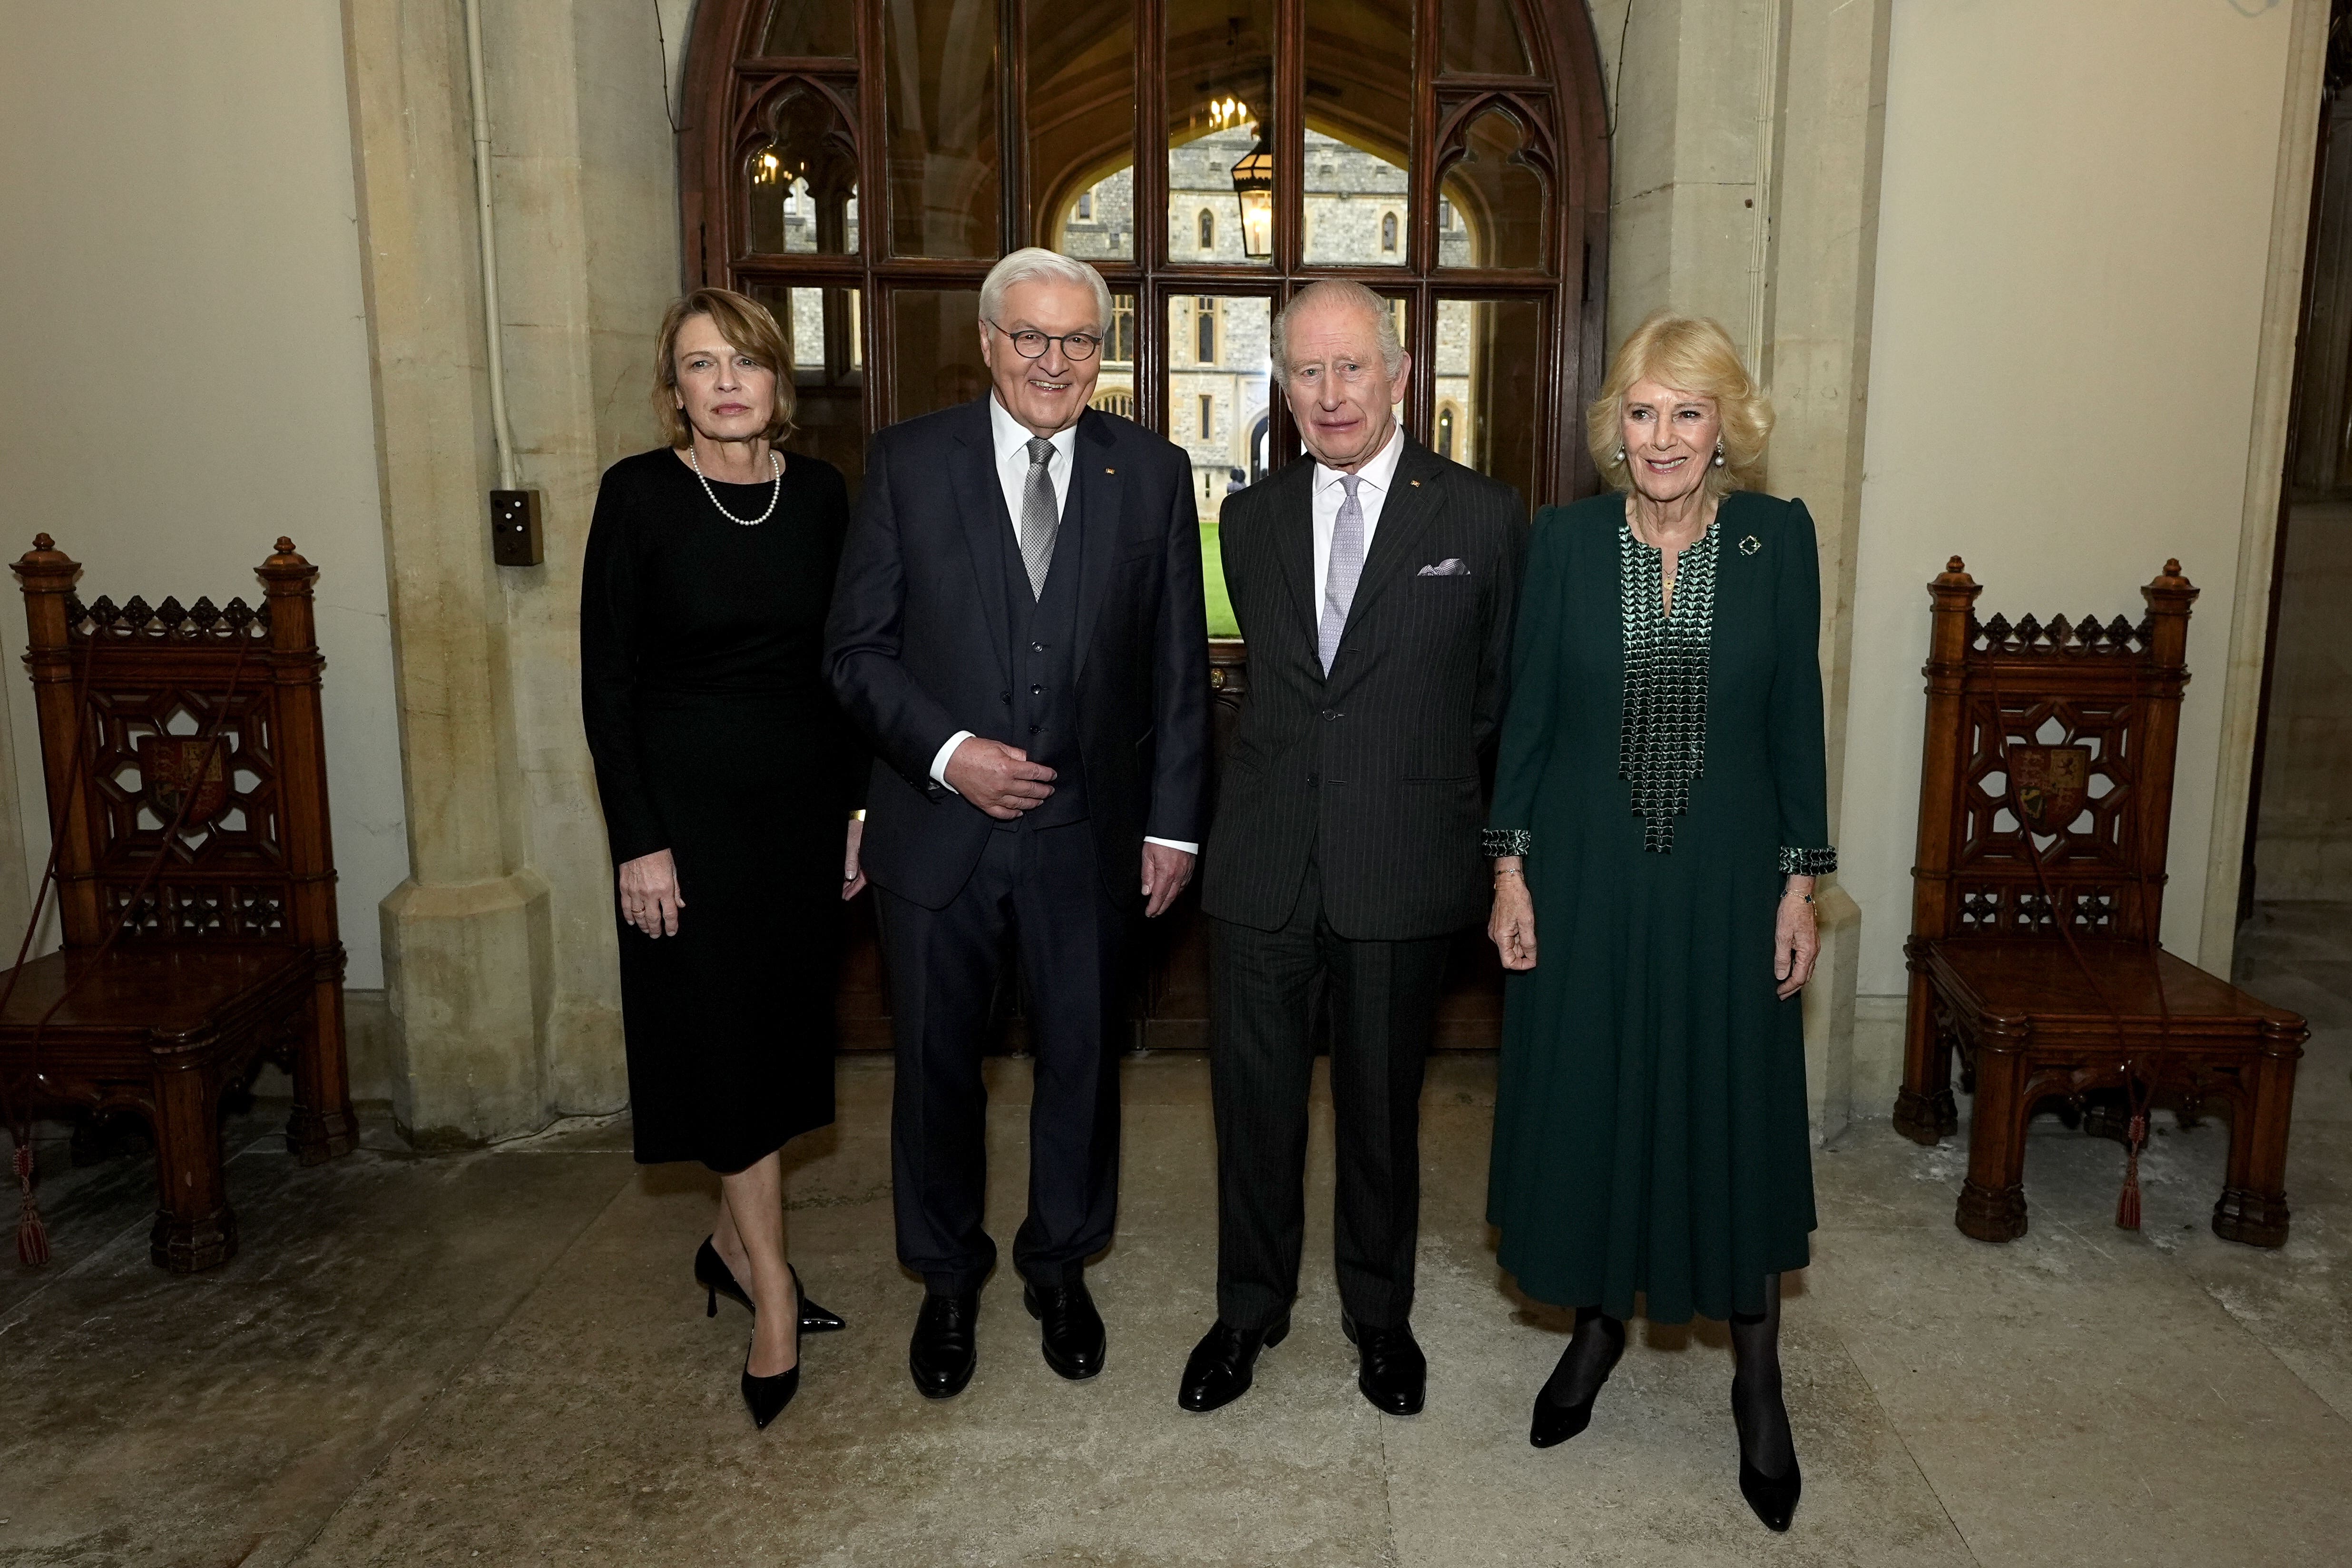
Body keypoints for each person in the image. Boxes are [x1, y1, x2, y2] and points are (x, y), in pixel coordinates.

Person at [825, 248, 1209, 1400]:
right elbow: (853, 653)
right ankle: (948, 1281)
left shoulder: (1149, 471)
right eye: (1031, 338)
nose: (1055, 361)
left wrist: (1176, 827)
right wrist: (951, 757)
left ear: (1105, 351)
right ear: (988, 343)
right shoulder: (905, 464)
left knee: (1083, 1065)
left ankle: (1059, 1264)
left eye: (1079, 340)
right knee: (937, 1066)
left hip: (1088, 839)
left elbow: (1176, 667)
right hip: (936, 838)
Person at [1483, 311, 1830, 1532]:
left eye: (1690, 411)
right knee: (1596, 1098)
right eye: (1643, 411)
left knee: (1728, 1108)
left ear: (1728, 426)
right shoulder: (1567, 542)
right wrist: (1510, 870)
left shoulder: (1779, 541)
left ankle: (1758, 1378)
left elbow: (1797, 723)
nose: (1665, 436)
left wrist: (1802, 883)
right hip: (1585, 877)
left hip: (1731, 881)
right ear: (1613, 428)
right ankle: (1593, 1332)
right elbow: (1526, 719)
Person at [1180, 280, 1527, 1418]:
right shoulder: (1252, 517)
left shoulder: (1480, 518)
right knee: (1255, 1108)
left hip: (1400, 862)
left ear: (1401, 374)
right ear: (1284, 388)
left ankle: (1380, 1320)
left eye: (1351, 369)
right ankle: (1247, 1309)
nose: (1330, 395)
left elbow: (1499, 705)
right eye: (1307, 374)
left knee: (1383, 1115)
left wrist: (1495, 854)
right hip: (1263, 866)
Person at [579, 288, 868, 1430]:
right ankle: (774, 1291)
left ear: (775, 380)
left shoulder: (822, 497)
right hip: (686, 826)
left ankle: (723, 1244)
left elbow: (848, 663)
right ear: (677, 390)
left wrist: (858, 809)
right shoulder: (640, 496)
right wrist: (638, 838)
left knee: (784, 1049)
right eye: (702, 366)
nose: (727, 382)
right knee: (727, 1049)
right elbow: (608, 686)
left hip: (799, 816)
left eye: (744, 360)